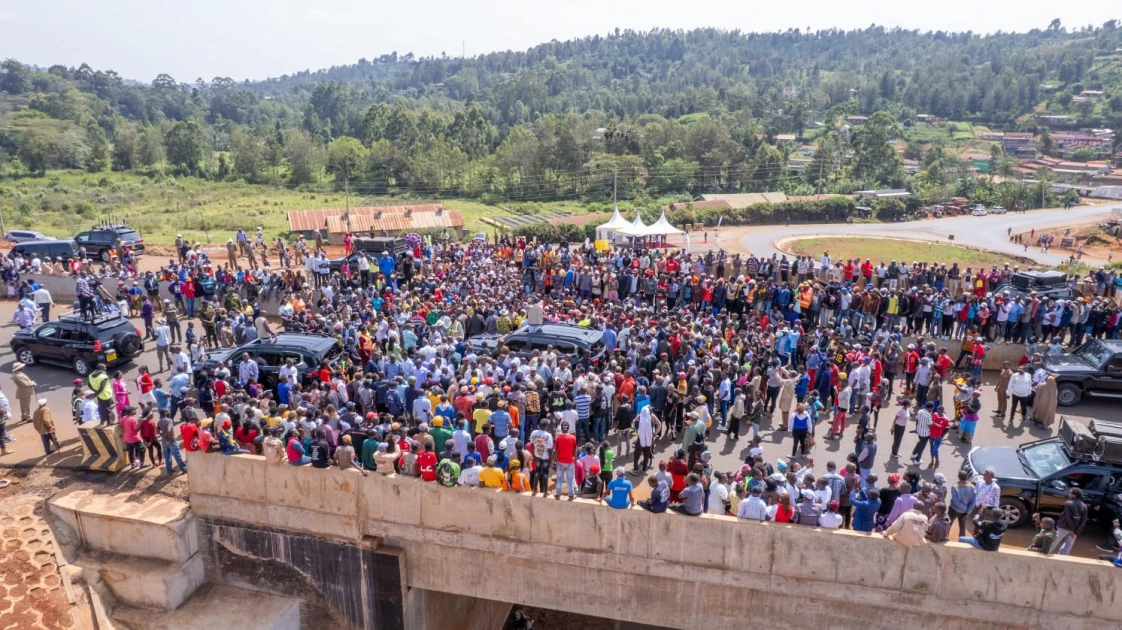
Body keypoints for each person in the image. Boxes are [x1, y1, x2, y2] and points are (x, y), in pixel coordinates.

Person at [1050, 487, 1089, 555]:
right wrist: (1076, 532)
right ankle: (1062, 560)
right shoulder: (1084, 506)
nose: (1069, 494)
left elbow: (1067, 517)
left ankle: (1045, 555)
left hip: (1063, 527)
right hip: (1074, 531)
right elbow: (1084, 520)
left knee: (1053, 543)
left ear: (1074, 495)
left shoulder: (1068, 503)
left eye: (1070, 493)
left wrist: (1073, 529)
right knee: (1067, 546)